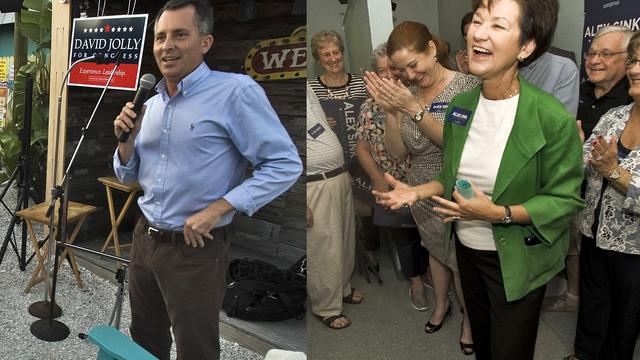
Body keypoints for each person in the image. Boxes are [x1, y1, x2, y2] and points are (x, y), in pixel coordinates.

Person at [372, 0, 585, 358]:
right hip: (468, 252)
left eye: (498, 25)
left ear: (526, 46)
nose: (479, 33)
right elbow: (452, 173)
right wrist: (415, 191)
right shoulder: (463, 105)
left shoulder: (551, 118)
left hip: (516, 259)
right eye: (479, 21)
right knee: (484, 346)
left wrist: (498, 213)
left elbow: (564, 201)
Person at [112, 0, 302, 358]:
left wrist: (219, 208)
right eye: (160, 37)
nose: (166, 45)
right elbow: (127, 174)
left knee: (195, 347)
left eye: (180, 35)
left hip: (195, 250)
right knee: (144, 338)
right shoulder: (149, 105)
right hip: (144, 239)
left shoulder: (235, 93)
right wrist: (128, 140)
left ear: (205, 42)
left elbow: (285, 164)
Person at [364, 21, 479, 356]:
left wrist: (413, 110)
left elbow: (458, 146)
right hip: (418, 191)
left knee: (459, 259)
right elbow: (400, 152)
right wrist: (390, 114)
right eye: (402, 70)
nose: (410, 75)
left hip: (455, 190)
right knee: (434, 251)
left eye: (414, 65)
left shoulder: (466, 87)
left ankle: (469, 322)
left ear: (431, 48)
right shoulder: (406, 93)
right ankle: (441, 306)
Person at [545, 26, 633, 314]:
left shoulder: (630, 102)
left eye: (605, 54)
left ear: (626, 59)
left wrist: (607, 166)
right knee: (578, 254)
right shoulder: (578, 91)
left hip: (622, 220)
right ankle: (574, 299)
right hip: (577, 196)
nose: (594, 60)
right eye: (591, 53)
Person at [565, 30, 640, 360]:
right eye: (635, 60)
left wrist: (615, 172)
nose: (635, 69)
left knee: (624, 323)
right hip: (594, 233)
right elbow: (583, 163)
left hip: (634, 251)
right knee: (593, 309)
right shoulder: (614, 116)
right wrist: (570, 153)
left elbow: (611, 170)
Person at [356, 42, 429, 311]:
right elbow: (361, 147)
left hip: (422, 180)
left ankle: (432, 271)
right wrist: (376, 177)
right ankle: (416, 282)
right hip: (389, 182)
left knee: (429, 233)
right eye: (380, 70)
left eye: (391, 69)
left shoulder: (418, 99)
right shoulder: (368, 106)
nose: (387, 75)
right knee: (404, 237)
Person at [308, 30, 378, 275]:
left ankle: (368, 248)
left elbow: (373, 114)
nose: (332, 58)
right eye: (326, 54)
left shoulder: (360, 83)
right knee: (338, 214)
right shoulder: (312, 88)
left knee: (366, 209)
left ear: (342, 54)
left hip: (362, 156)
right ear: (318, 59)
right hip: (332, 162)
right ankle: (345, 257)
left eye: (336, 52)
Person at [306, 84, 358, 330]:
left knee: (345, 240)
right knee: (324, 247)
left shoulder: (308, 87)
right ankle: (326, 306)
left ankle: (342, 288)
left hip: (338, 175)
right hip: (315, 183)